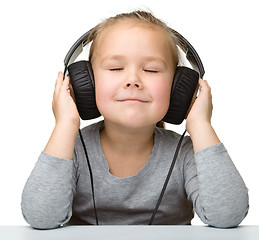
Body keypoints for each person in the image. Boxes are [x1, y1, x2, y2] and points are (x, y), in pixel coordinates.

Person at [21, 10, 249, 229]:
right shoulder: (71, 149)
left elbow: (227, 215)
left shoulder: (186, 153)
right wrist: (65, 125)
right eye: (115, 67)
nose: (132, 80)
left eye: (151, 70)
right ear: (86, 83)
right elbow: (41, 217)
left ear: (179, 87)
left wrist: (200, 125)